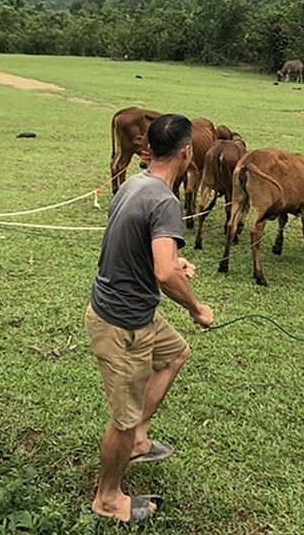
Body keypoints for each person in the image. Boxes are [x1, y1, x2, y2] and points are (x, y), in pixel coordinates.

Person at [84, 114, 214, 523]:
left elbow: (137, 245)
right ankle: (107, 498)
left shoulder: (136, 184)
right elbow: (162, 273)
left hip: (135, 313)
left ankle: (139, 440)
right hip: (123, 324)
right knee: (122, 420)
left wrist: (174, 260)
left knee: (176, 354)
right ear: (187, 152)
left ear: (147, 150)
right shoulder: (165, 201)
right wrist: (196, 308)